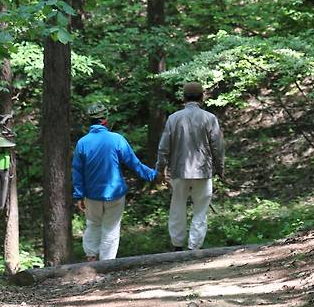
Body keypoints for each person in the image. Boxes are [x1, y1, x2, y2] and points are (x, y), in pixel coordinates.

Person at [72, 102, 157, 261]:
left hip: (91, 195)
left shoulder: (82, 143)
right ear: (105, 119)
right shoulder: (117, 139)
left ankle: (91, 259)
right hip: (115, 193)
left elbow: (77, 172)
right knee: (110, 230)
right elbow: (134, 164)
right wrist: (153, 175)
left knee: (93, 225)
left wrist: (78, 195)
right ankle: (107, 264)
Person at [156, 81, 225, 252]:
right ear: (202, 97)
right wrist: (220, 168)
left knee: (177, 207)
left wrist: (160, 168)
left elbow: (164, 147)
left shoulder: (174, 118)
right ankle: (194, 247)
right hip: (203, 171)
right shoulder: (210, 118)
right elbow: (218, 146)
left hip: (179, 170)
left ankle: (177, 245)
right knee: (200, 210)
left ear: (183, 98)